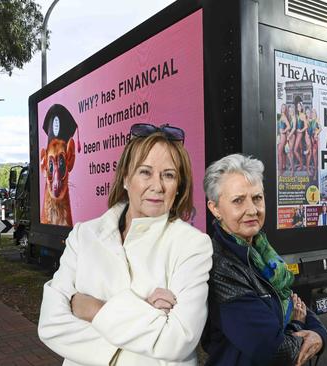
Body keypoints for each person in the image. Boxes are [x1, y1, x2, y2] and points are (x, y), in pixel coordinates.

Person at [38, 123, 213, 366]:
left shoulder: (192, 245)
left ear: (179, 186)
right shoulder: (84, 236)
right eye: (145, 172)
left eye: (169, 175)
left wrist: (93, 308)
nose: (157, 185)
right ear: (125, 179)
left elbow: (178, 340)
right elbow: (50, 324)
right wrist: (146, 317)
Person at [201, 154, 327, 366]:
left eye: (257, 198)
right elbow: (275, 350)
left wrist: (320, 334)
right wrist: (297, 324)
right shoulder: (221, 266)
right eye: (238, 200)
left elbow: (293, 301)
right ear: (214, 208)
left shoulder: (262, 253)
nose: (252, 210)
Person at [277, 104, 292, 175]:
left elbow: (289, 126)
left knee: (279, 152)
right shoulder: (280, 116)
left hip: (283, 136)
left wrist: (283, 131)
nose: (283, 109)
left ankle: (280, 171)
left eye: (284, 108)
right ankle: (283, 167)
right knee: (282, 153)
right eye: (282, 107)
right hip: (280, 136)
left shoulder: (283, 116)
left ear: (286, 109)